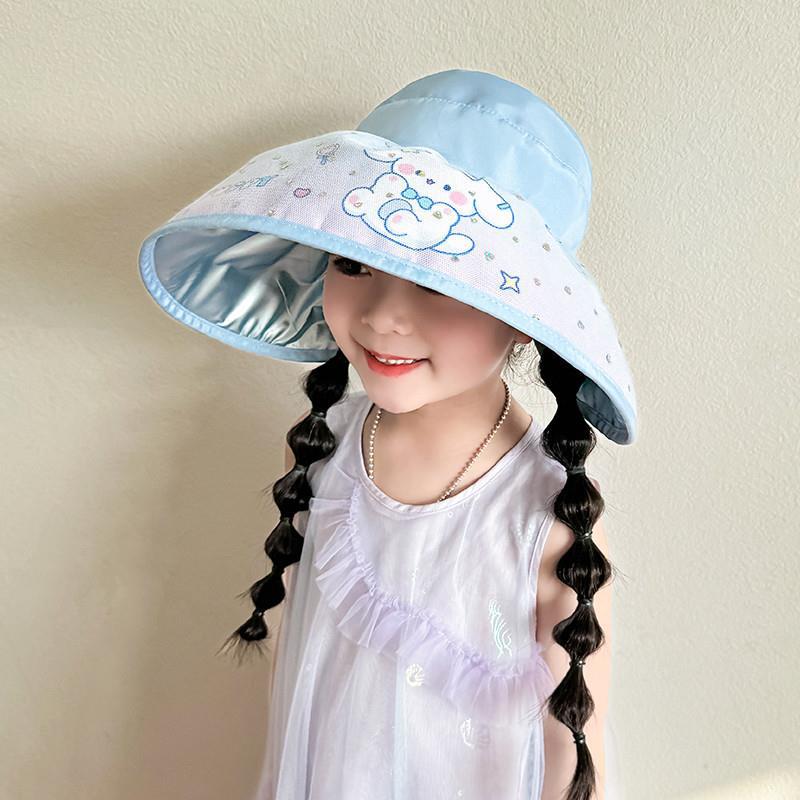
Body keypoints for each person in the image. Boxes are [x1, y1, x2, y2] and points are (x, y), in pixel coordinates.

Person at [138, 68, 637, 800]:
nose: (380, 316)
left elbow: (573, 746)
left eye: (438, 282)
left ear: (525, 318)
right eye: (353, 264)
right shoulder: (323, 450)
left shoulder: (548, 516)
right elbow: (303, 675)